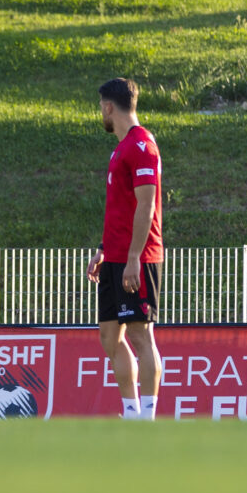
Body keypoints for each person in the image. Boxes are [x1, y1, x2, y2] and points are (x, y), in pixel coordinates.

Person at [84, 77, 163, 420]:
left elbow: (147, 206)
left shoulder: (141, 144)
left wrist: (133, 257)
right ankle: (131, 412)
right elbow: (123, 207)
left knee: (140, 335)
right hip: (115, 256)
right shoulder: (121, 147)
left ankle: (147, 416)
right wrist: (105, 248)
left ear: (107, 106)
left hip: (138, 257)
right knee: (108, 336)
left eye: (99, 107)